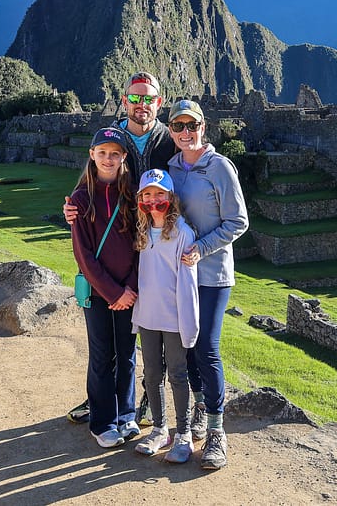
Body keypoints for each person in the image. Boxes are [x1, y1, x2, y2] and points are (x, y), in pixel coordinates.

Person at [65, 71, 176, 425]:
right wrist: (75, 206)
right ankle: (102, 401)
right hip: (121, 241)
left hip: (160, 242)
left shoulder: (168, 139)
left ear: (159, 103)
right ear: (125, 99)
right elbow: (95, 175)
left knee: (150, 328)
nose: (141, 104)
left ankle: (144, 398)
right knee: (109, 343)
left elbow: (188, 166)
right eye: (135, 97)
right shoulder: (114, 137)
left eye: (149, 98)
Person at [166, 98, 249, 470]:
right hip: (180, 273)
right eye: (178, 126)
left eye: (192, 125)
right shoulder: (170, 168)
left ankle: (217, 431)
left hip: (212, 273)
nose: (186, 133)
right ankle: (200, 407)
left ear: (203, 127)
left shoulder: (220, 167)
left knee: (207, 349)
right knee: (184, 347)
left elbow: (238, 222)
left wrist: (201, 248)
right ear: (171, 131)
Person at [70, 127, 140, 448]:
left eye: (115, 153)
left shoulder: (133, 195)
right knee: (102, 356)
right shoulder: (82, 200)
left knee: (126, 355)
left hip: (130, 292)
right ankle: (102, 422)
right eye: (103, 153)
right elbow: (84, 256)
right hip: (100, 294)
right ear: (92, 155)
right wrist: (115, 293)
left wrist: (132, 288)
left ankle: (126, 415)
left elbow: (142, 245)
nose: (108, 159)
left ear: (123, 157)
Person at [130, 168, 199, 463]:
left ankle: (183, 433)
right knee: (152, 374)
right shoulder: (142, 231)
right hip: (148, 315)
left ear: (170, 198)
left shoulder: (183, 233)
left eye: (159, 194)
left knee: (178, 373)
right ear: (140, 199)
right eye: (147, 194)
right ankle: (160, 429)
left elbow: (188, 283)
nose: (153, 199)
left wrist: (189, 321)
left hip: (173, 317)